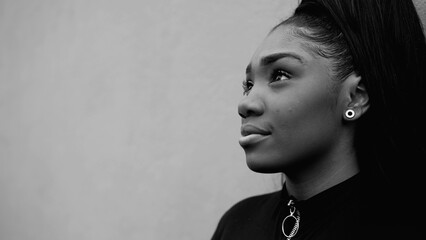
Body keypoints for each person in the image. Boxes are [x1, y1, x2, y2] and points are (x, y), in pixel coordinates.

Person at [211, 0, 426, 239]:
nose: (246, 103)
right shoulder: (237, 224)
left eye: (280, 75)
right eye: (248, 85)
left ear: (355, 97)